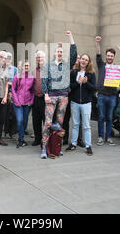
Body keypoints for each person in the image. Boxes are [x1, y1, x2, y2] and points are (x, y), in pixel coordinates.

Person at [40, 31, 77, 159]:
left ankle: (56, 148)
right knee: (48, 122)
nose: (60, 53)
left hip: (63, 97)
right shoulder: (48, 66)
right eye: (58, 51)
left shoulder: (66, 66)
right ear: (54, 53)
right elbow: (44, 80)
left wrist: (70, 38)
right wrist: (45, 94)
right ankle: (44, 147)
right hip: (51, 96)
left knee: (60, 123)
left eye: (61, 52)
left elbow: (74, 55)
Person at [66, 53, 96, 156]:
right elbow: (69, 87)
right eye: (82, 59)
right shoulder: (74, 72)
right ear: (80, 60)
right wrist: (77, 83)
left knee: (86, 125)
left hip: (86, 103)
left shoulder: (91, 73)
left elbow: (94, 88)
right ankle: (73, 144)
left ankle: (88, 146)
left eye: (86, 60)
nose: (83, 61)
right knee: (75, 124)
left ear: (88, 62)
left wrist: (86, 83)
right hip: (75, 102)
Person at [95, 36, 120, 146]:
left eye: (111, 55)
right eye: (108, 55)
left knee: (110, 117)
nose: (110, 57)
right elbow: (98, 55)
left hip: (112, 95)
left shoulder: (116, 68)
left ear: (114, 57)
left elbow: (119, 83)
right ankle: (100, 137)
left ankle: (108, 137)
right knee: (101, 117)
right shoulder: (102, 65)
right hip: (101, 95)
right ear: (106, 56)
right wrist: (97, 43)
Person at [12, 60, 35, 148]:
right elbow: (13, 89)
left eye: (27, 66)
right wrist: (16, 100)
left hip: (27, 103)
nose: (26, 67)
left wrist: (31, 101)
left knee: (25, 121)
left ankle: (22, 138)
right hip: (18, 103)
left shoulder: (32, 78)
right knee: (19, 120)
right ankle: (20, 139)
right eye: (25, 65)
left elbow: (33, 91)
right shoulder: (17, 77)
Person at [31, 50, 46, 147]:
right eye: (38, 57)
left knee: (45, 119)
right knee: (35, 119)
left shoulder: (48, 69)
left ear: (44, 59)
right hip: (35, 98)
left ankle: (45, 140)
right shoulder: (34, 70)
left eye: (41, 57)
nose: (39, 59)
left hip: (45, 98)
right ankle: (37, 138)